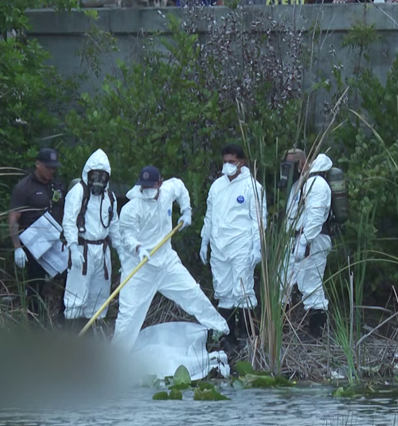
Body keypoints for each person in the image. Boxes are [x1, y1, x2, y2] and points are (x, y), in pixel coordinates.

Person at [112, 166, 230, 350]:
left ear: (160, 183)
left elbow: (180, 186)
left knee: (193, 293)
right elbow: (126, 235)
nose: (148, 190)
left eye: (152, 186)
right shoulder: (131, 208)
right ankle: (115, 359)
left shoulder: (168, 189)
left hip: (166, 261)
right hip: (140, 267)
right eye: (144, 187)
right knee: (128, 316)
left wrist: (186, 211)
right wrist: (138, 248)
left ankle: (221, 331)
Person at [200, 145, 266, 348]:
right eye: (225, 161)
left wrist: (258, 246)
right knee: (223, 291)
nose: (227, 165)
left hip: (242, 247)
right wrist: (205, 240)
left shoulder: (252, 186)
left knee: (243, 291)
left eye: (232, 161)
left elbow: (259, 219)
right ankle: (227, 338)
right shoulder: (217, 186)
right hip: (219, 248)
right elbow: (209, 216)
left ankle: (248, 337)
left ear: (242, 163)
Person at [61, 149, 123, 331]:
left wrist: (120, 252)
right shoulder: (78, 192)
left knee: (99, 296)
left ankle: (92, 339)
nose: (98, 180)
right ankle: (72, 337)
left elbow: (114, 226)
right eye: (95, 175)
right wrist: (73, 248)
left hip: (102, 252)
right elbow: (69, 221)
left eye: (102, 177)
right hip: (82, 250)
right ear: (87, 174)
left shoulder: (110, 198)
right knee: (76, 296)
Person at [8, 148, 66, 320]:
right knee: (35, 282)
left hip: (55, 240)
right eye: (48, 167)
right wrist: (17, 247)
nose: (52, 171)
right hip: (34, 242)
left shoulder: (57, 185)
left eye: (54, 168)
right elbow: (13, 219)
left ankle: (64, 315)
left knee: (71, 272)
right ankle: (35, 321)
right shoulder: (24, 187)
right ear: (38, 164)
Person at [282, 150, 334, 340]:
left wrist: (304, 242)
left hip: (313, 240)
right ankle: (281, 332)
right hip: (295, 240)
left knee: (311, 285)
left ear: (301, 162)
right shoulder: (300, 184)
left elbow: (315, 217)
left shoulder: (317, 183)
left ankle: (316, 334)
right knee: (283, 283)